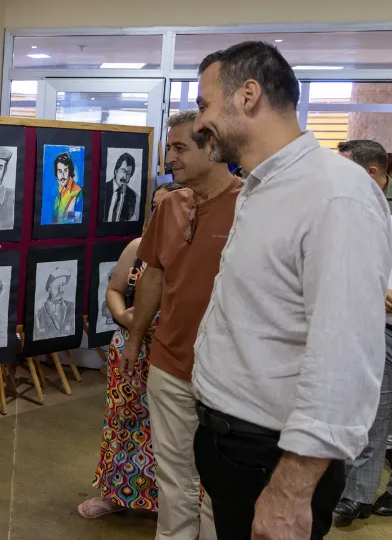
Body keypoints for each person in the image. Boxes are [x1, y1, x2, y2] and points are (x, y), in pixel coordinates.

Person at [189, 41, 392, 539]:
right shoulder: (263, 186)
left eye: (205, 105)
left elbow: (345, 355)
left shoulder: (335, 193)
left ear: (248, 95)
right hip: (233, 447)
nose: (199, 123)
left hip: (274, 460)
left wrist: (292, 489)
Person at [122, 109, 242, 540]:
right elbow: (153, 276)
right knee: (173, 477)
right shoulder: (171, 205)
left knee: (220, 486)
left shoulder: (250, 205)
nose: (169, 158)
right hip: (169, 363)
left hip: (230, 373)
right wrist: (136, 338)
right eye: (168, 148)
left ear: (213, 148)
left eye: (179, 148)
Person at [78, 181, 183, 520]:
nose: (159, 213)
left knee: (175, 428)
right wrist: (125, 318)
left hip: (177, 350)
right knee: (124, 422)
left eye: (167, 206)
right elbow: (114, 289)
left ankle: (174, 504)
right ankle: (117, 494)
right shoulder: (138, 247)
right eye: (155, 206)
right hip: (130, 349)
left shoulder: (195, 251)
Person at [332, 139, 392, 526]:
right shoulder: (347, 210)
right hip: (374, 327)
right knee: (371, 414)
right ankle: (357, 494)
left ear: (371, 173)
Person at [35, 268, 75, 339]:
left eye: (63, 285)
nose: (61, 289)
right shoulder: (40, 311)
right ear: (49, 288)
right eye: (57, 286)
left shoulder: (71, 307)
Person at [104, 152, 139, 222]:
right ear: (116, 170)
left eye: (128, 174)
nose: (125, 177)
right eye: (123, 171)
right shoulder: (104, 188)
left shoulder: (132, 196)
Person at [53, 151, 84, 224]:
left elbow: (73, 222)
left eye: (65, 170)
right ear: (56, 173)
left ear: (70, 172)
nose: (62, 175)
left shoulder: (77, 192)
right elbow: (54, 218)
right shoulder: (59, 190)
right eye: (59, 171)